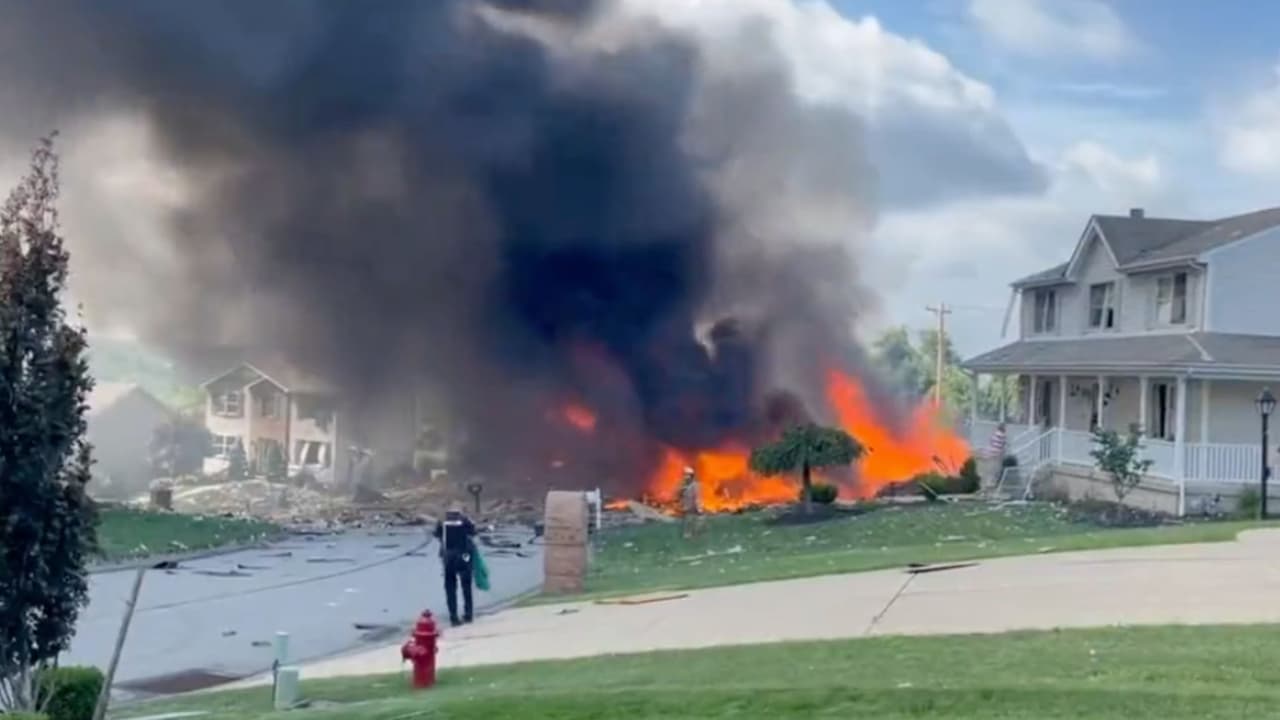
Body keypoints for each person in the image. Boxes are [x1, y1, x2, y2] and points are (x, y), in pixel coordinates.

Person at [432, 503, 477, 626]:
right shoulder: (465, 521)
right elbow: (473, 532)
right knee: (466, 586)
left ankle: (453, 617)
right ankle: (468, 614)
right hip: (464, 556)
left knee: (450, 588)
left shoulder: (442, 523)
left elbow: (436, 534)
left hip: (448, 557)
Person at [680, 466, 702, 539]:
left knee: (694, 522)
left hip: (693, 508)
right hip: (686, 508)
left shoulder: (695, 485)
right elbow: (681, 496)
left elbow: (697, 497)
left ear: (691, 476)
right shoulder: (684, 486)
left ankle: (695, 536)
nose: (686, 477)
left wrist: (699, 509)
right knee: (687, 522)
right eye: (685, 475)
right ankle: (687, 536)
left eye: (687, 475)